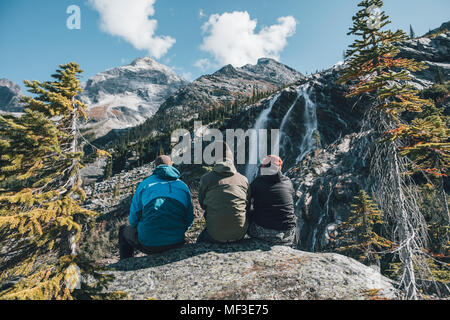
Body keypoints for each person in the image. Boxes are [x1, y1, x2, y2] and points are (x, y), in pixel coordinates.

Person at [119, 155, 194, 260]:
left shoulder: (144, 184)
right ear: (171, 165)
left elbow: (132, 220)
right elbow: (190, 218)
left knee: (123, 230)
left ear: (155, 166)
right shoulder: (182, 186)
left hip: (149, 245)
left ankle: (125, 263)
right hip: (177, 242)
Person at [196, 141, 250, 243]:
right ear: (232, 159)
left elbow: (203, 204)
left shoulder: (206, 179)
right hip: (240, 233)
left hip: (214, 234)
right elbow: (247, 206)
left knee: (199, 241)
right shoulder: (244, 180)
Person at [247, 155, 296, 246]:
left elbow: (247, 202)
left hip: (263, 233)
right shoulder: (288, 182)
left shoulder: (257, 182)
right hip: (288, 234)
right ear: (279, 168)